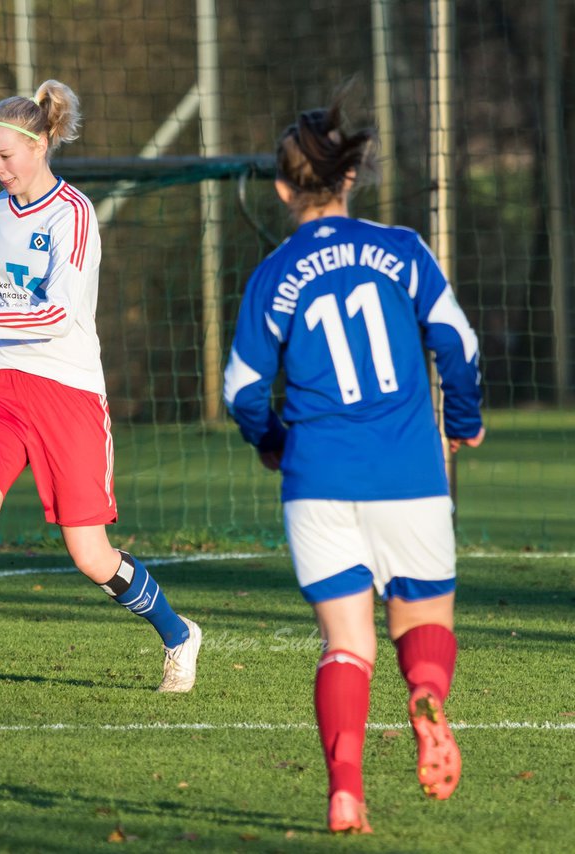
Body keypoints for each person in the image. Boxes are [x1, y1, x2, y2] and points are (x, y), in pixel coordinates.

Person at [223, 97, 483, 834]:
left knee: (347, 644)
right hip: (409, 473)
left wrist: (270, 439)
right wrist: (463, 422)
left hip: (319, 479)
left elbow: (240, 388)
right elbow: (457, 346)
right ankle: (427, 692)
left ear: (282, 189)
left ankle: (345, 792)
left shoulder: (275, 274)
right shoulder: (402, 250)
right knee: (422, 623)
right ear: (350, 180)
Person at [0, 80, 202, 705]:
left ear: (41, 144)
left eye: (6, 157)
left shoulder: (73, 214)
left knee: (88, 553)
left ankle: (178, 635)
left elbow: (56, 315)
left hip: (67, 386)